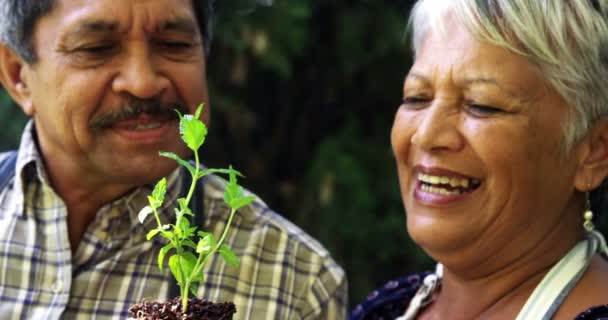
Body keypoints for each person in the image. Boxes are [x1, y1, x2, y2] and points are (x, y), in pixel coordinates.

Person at [0, 1, 347, 319]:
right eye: (97, 49)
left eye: (174, 45)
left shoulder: (295, 284)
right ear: (17, 74)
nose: (144, 82)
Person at [351, 0, 608, 319]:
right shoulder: (382, 310)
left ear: (594, 152)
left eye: (482, 105)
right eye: (417, 98)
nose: (427, 135)